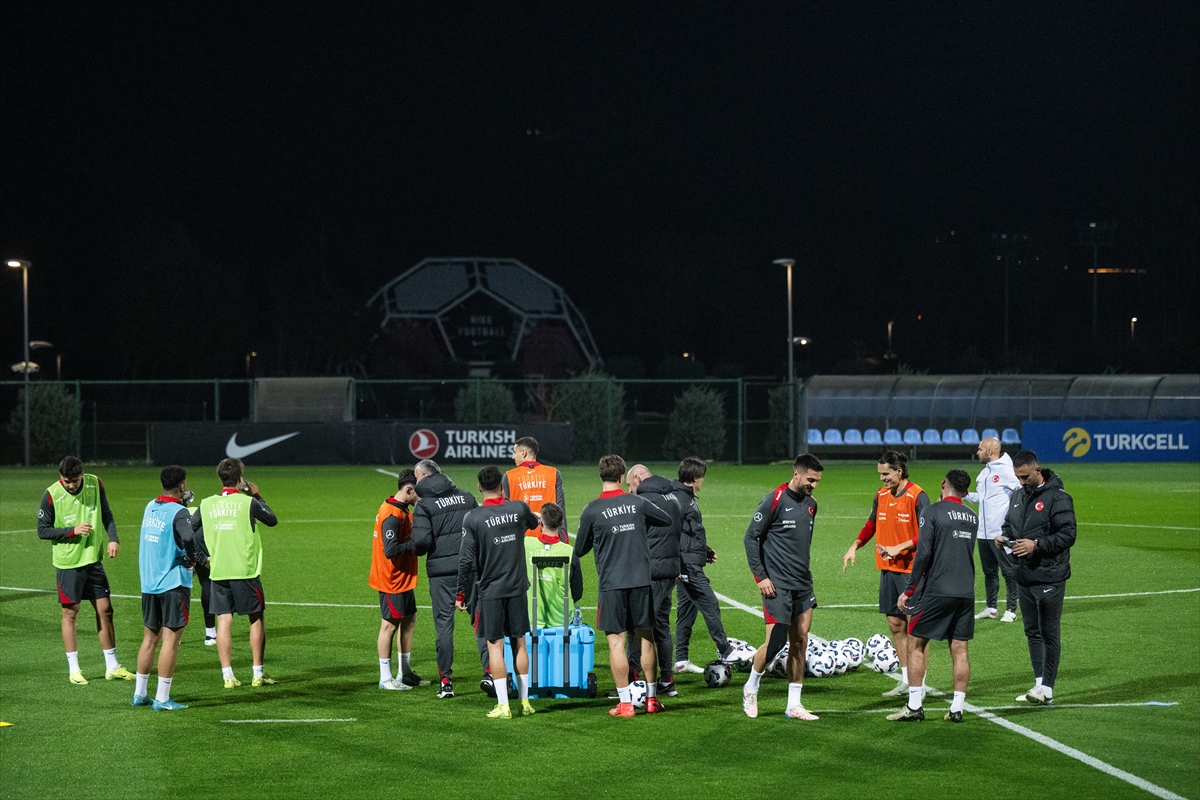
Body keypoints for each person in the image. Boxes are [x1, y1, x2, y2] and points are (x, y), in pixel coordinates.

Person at [575, 454, 672, 717]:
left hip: (612, 584)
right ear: (622, 476)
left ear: (601, 476)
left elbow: (580, 548)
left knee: (616, 643)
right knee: (645, 638)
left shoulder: (592, 509)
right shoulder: (638, 502)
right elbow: (665, 519)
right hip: (641, 581)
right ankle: (652, 700)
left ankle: (626, 704)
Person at [888, 469, 979, 723]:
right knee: (959, 649)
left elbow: (923, 554)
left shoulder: (933, 512)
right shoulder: (972, 517)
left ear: (943, 484)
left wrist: (909, 590)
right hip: (966, 591)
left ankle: (914, 706)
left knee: (916, 643)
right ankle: (957, 709)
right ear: (965, 491)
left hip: (937, 590)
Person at [742, 454, 825, 721]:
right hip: (776, 586)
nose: (813, 485)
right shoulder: (774, 500)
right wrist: (761, 577)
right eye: (810, 479)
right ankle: (751, 686)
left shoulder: (812, 505)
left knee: (800, 641)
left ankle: (794, 704)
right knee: (776, 643)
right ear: (797, 474)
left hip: (803, 584)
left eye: (817, 481)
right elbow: (750, 538)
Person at [37, 456, 133, 684]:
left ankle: (113, 666)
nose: (71, 485)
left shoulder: (94, 483)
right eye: (66, 481)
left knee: (106, 609)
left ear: (82, 474)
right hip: (68, 563)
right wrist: (73, 530)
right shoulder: (51, 494)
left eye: (75, 480)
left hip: (93, 559)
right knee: (70, 613)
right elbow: (42, 531)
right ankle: (74, 669)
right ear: (61, 478)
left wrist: (114, 539)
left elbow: (106, 514)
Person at [842, 450, 929, 699]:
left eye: (885, 474)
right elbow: (872, 524)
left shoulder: (917, 496)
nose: (882, 479)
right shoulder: (881, 495)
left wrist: (899, 547)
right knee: (895, 625)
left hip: (911, 571)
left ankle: (918, 686)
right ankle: (905, 680)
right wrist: (855, 545)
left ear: (899, 471)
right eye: (880, 474)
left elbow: (928, 532)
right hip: (888, 570)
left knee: (916, 629)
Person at [456, 466, 541, 719]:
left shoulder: (473, 518)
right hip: (516, 587)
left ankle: (504, 705)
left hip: (490, 589)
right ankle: (525, 702)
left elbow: (465, 560)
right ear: (502, 486)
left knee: (495, 646)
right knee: (520, 643)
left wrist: (461, 593)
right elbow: (534, 523)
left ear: (480, 487)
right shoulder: (518, 508)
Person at [192, 457, 279, 689]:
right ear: (241, 479)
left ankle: (227, 675)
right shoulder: (246, 502)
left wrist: (202, 557)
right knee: (256, 618)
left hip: (219, 569)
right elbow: (272, 520)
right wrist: (256, 495)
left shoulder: (206, 503)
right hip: (245, 570)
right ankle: (257, 673)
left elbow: (189, 530)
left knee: (224, 621)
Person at [1004, 450, 1077, 706]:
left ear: (1037, 470)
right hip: (1023, 574)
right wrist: (1004, 539)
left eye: (1025, 477)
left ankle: (1047, 687)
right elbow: (1008, 526)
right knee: (1032, 632)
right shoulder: (1017, 495)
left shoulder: (1058, 497)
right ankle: (1038, 686)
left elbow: (1068, 535)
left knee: (1049, 632)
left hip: (1049, 575)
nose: (1021, 482)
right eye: (1018, 477)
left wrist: (1036, 545)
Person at [411, 458, 487, 699]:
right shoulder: (466, 497)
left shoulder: (424, 505)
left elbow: (421, 543)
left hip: (442, 574)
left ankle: (446, 683)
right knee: (481, 622)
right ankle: (490, 673)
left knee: (444, 625)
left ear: (424, 477)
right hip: (472, 569)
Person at [133, 465, 202, 711]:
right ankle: (162, 698)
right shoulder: (179, 511)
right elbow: (186, 538)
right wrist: (193, 558)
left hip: (149, 583)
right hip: (172, 583)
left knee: (149, 639)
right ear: (182, 485)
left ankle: (140, 693)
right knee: (171, 641)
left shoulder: (150, 506)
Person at [673, 456, 738, 674]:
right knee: (709, 602)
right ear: (694, 478)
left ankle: (681, 659)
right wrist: (680, 565)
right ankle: (725, 650)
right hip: (686, 565)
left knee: (687, 610)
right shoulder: (680, 500)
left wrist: (704, 550)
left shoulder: (685, 497)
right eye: (702, 477)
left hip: (689, 560)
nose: (703, 481)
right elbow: (671, 533)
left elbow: (688, 532)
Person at [624, 464, 683, 697]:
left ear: (638, 479)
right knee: (661, 627)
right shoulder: (673, 498)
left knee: (636, 628)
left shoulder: (643, 503)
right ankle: (667, 680)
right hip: (669, 572)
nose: (631, 490)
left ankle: (634, 682)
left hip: (649, 573)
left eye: (630, 485)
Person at [369, 469, 428, 690]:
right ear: (409, 490)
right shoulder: (392, 515)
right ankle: (385, 678)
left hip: (403, 578)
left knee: (409, 619)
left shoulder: (401, 509)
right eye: (418, 494)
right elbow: (391, 550)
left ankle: (405, 673)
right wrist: (416, 545)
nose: (420, 499)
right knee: (389, 626)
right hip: (391, 580)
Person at [965, 437, 1020, 622]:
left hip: (1001, 533)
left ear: (990, 451)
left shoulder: (1006, 471)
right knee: (989, 572)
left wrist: (1012, 522)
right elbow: (981, 498)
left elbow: (1020, 494)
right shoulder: (984, 474)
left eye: (980, 449)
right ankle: (991, 607)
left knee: (1008, 571)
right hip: (983, 533)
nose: (977, 452)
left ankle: (1011, 609)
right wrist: (964, 495)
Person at [522, 502, 583, 629]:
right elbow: (577, 591)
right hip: (562, 618)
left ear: (541, 523)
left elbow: (516, 530)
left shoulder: (526, 544)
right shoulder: (570, 552)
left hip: (532, 617)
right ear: (561, 523)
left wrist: (532, 519)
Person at [502, 436, 566, 539]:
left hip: (521, 540)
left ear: (523, 453)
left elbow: (504, 513)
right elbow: (560, 509)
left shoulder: (509, 476)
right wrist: (563, 539)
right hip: (549, 539)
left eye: (514, 452)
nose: (513, 456)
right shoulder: (554, 473)